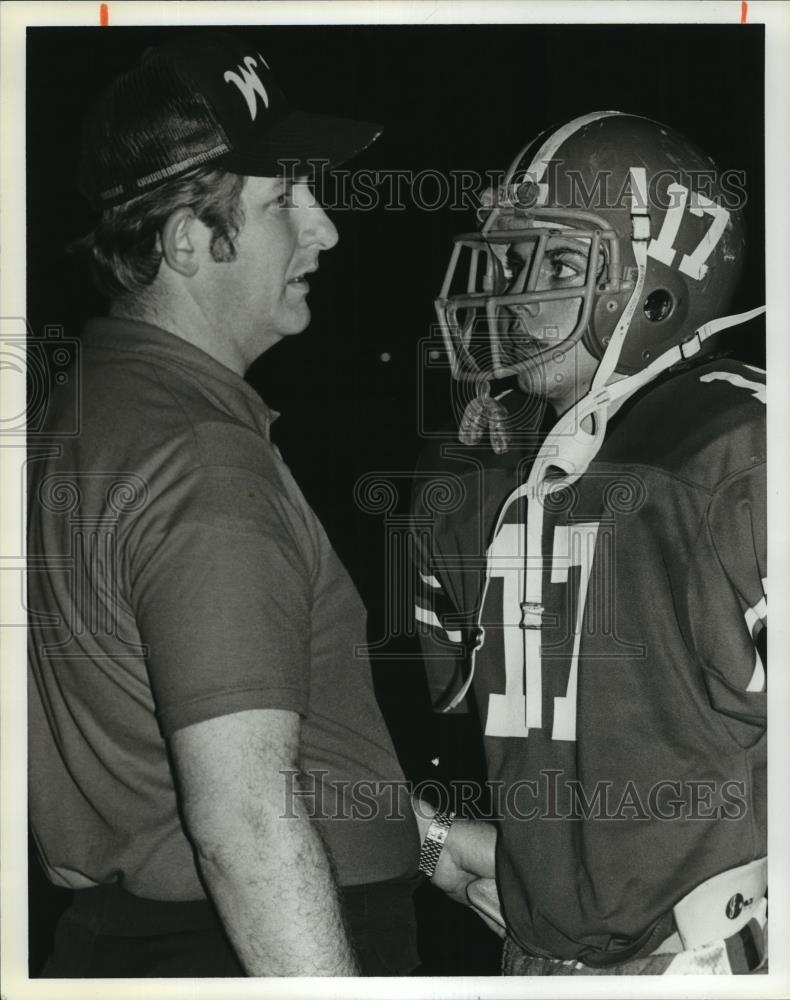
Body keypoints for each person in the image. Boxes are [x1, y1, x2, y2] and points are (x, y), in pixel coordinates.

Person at [27, 30, 495, 979]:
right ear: (187, 241)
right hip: (243, 945)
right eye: (285, 199)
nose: (323, 228)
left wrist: (430, 845)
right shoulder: (199, 457)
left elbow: (185, 747)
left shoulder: (77, 416)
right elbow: (243, 821)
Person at [412, 111, 767, 974]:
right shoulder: (487, 481)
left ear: (656, 285)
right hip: (537, 954)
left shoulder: (738, 447)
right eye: (511, 261)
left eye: (558, 264)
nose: (514, 295)